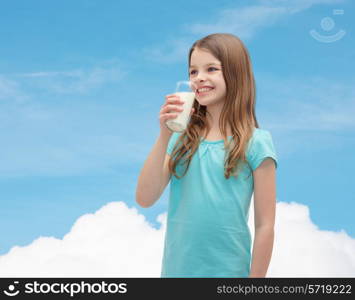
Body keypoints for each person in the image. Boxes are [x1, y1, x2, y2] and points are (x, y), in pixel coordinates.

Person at [136, 33, 278, 278]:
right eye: (193, 72)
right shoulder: (180, 140)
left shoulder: (256, 143)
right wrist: (164, 135)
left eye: (211, 69)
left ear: (235, 74)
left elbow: (265, 226)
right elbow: (145, 198)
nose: (199, 78)